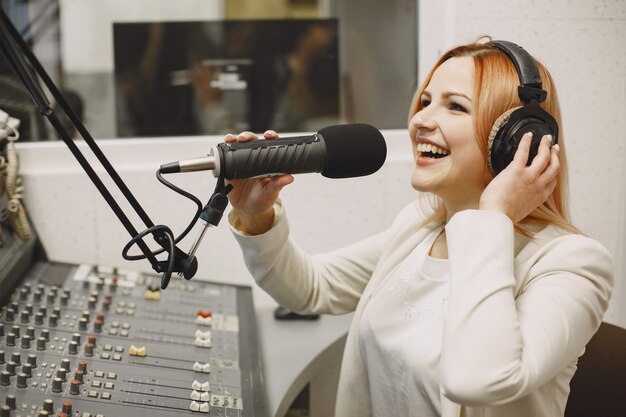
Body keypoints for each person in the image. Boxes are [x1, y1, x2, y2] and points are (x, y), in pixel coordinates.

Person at [223, 39, 613, 417]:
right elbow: (312, 288)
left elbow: (479, 380)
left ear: (518, 139)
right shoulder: (419, 226)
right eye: (426, 102)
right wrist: (259, 216)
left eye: (455, 107)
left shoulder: (573, 264)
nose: (421, 120)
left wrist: (493, 217)